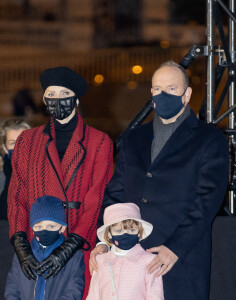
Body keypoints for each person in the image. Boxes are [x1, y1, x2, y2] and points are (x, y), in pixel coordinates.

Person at [90, 61, 229, 300]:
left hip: (180, 261)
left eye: (171, 89)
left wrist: (176, 247)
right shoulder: (134, 138)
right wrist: (102, 239)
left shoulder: (209, 139)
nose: (162, 94)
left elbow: (208, 200)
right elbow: (115, 194)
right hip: (129, 260)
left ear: (187, 95)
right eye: (156, 89)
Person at [7, 66, 113, 298]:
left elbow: (95, 200)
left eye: (64, 94)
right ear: (44, 100)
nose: (57, 101)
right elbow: (17, 196)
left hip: (79, 244)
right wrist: (21, 246)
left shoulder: (99, 142)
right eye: (51, 95)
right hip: (38, 244)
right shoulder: (28, 140)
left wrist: (68, 249)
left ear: (75, 99)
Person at [5, 195, 85, 300]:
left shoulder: (75, 257)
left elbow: (74, 291)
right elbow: (12, 288)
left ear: (62, 228)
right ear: (32, 228)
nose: (44, 231)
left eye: (51, 226)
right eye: (39, 227)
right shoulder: (23, 255)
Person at [87, 203, 164, 300]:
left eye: (131, 230)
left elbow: (155, 296)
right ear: (110, 235)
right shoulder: (100, 260)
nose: (126, 235)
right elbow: (93, 295)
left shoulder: (150, 261)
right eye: (118, 231)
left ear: (139, 232)